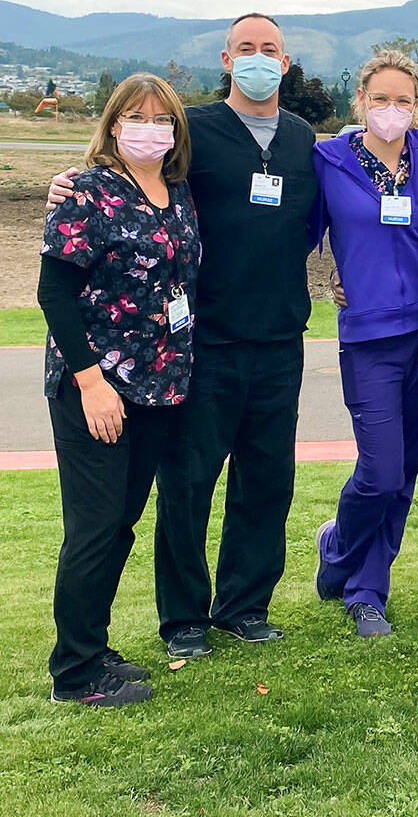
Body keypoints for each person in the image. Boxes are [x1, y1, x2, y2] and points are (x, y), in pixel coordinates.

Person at [48, 14, 318, 660]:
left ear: (286, 62)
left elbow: (313, 223)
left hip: (280, 338)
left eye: (270, 50)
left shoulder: (304, 138)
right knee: (189, 483)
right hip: (201, 343)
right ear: (228, 58)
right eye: (246, 48)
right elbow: (130, 180)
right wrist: (70, 178)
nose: (258, 58)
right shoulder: (190, 130)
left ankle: (245, 606)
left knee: (267, 481)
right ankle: (184, 618)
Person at [40, 74, 198, 705]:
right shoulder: (86, 191)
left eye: (163, 119)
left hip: (157, 386)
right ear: (112, 124)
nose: (150, 128)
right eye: (137, 116)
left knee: (121, 522)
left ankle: (93, 645)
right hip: (97, 387)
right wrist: (90, 382)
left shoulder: (177, 192)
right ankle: (74, 675)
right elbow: (53, 292)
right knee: (95, 524)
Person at [310, 51, 418, 637]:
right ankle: (337, 547)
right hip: (367, 337)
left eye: (404, 101)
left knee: (407, 470)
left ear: (417, 109)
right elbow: (291, 230)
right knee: (381, 471)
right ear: (359, 100)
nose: (392, 109)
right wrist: (327, 281)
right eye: (381, 98)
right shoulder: (328, 160)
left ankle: (368, 590)